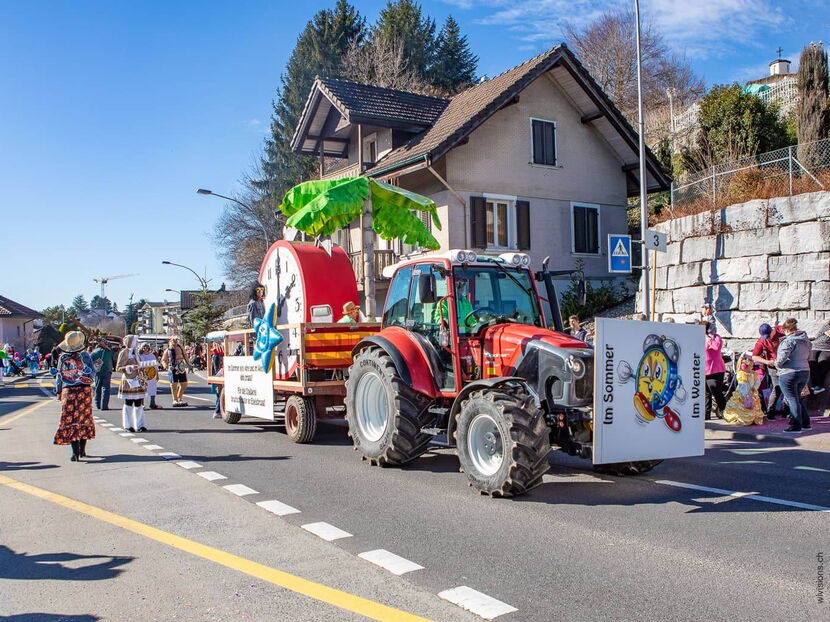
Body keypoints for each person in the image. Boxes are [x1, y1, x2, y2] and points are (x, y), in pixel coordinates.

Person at [53, 331, 96, 461]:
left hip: (69, 390)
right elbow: (92, 374)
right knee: (84, 418)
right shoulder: (86, 356)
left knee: (70, 419)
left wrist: (58, 391)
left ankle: (74, 452)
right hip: (84, 390)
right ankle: (82, 449)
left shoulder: (63, 358)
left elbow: (59, 376)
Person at [776, 318, 812, 433]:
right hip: (805, 371)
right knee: (798, 398)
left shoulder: (788, 341)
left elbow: (781, 359)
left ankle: (796, 425)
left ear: (785, 329)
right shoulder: (806, 340)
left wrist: (776, 364)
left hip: (789, 372)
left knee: (792, 399)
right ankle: (805, 423)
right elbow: (809, 356)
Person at [751, 323, 785, 419]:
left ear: (772, 330)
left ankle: (787, 411)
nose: (767, 338)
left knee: (789, 387)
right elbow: (754, 356)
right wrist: (767, 362)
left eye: (768, 335)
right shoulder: (762, 340)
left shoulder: (781, 330)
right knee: (777, 387)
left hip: (787, 364)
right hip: (773, 366)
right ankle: (770, 412)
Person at [116, 335, 148, 433]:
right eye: (135, 341)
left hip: (138, 380)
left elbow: (139, 364)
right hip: (129, 380)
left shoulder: (136, 352)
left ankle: (140, 425)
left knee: (139, 403)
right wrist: (129, 367)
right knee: (128, 403)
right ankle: (127, 425)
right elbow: (118, 368)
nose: (137, 343)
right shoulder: (124, 352)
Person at [704, 321, 727, 420]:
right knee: (706, 393)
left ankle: (724, 410)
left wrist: (709, 338)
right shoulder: (698, 338)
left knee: (716, 392)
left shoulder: (716, 337)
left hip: (716, 369)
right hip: (703, 369)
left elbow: (716, 347)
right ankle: (706, 414)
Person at [163, 337, 191, 407]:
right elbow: (163, 359)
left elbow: (185, 356)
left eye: (176, 340)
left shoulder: (181, 348)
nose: (175, 342)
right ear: (170, 341)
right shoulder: (168, 350)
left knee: (184, 383)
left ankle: (179, 397)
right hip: (172, 367)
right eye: (173, 340)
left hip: (181, 367)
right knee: (173, 384)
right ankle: (175, 399)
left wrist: (189, 364)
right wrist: (165, 365)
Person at [91, 340, 117, 411]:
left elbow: (91, 361)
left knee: (97, 387)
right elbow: (115, 358)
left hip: (98, 371)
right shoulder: (109, 352)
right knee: (106, 388)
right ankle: (104, 405)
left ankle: (97, 404)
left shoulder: (94, 352)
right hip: (107, 370)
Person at [808, 318, 830, 395]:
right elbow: (818, 336)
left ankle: (819, 385)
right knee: (812, 362)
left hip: (827, 349)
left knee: (822, 361)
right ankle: (815, 385)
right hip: (814, 346)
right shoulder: (826, 325)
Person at [139, 343, 161, 409]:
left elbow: (155, 366)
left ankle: (152, 403)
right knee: (142, 388)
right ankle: (141, 404)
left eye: (147, 348)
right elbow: (139, 366)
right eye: (144, 348)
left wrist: (157, 375)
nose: (145, 349)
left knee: (153, 389)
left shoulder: (152, 356)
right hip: (143, 374)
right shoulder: (140, 356)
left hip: (152, 374)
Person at [210, 344, 224, 419]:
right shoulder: (216, 355)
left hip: (218, 376)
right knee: (219, 395)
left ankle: (218, 411)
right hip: (218, 377)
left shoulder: (218, 355)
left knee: (219, 395)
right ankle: (217, 411)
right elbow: (216, 368)